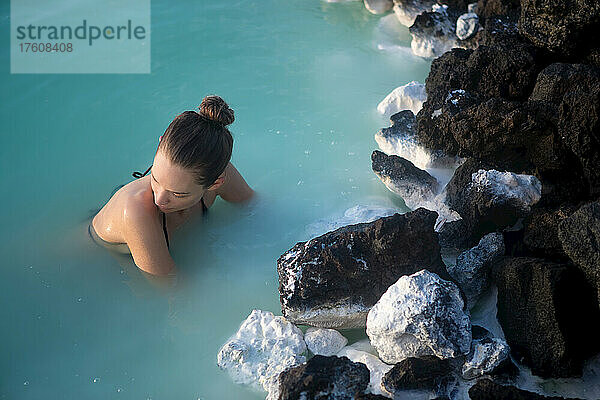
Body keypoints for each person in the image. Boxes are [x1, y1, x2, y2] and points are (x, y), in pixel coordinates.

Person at [89, 95, 254, 276]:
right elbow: (170, 288)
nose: (159, 199)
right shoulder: (135, 211)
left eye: (178, 194)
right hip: (93, 252)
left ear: (216, 182)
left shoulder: (217, 170)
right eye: (156, 179)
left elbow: (255, 209)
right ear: (159, 144)